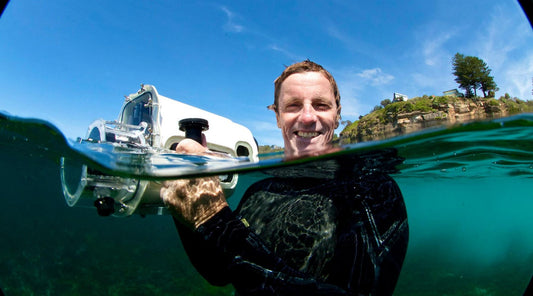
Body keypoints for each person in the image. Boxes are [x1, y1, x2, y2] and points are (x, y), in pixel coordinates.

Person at [161, 60, 409, 295]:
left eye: (321, 105)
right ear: (278, 116)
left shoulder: (372, 192)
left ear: (337, 114)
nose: (308, 117)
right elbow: (219, 272)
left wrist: (213, 220)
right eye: (293, 106)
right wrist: (187, 201)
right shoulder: (260, 190)